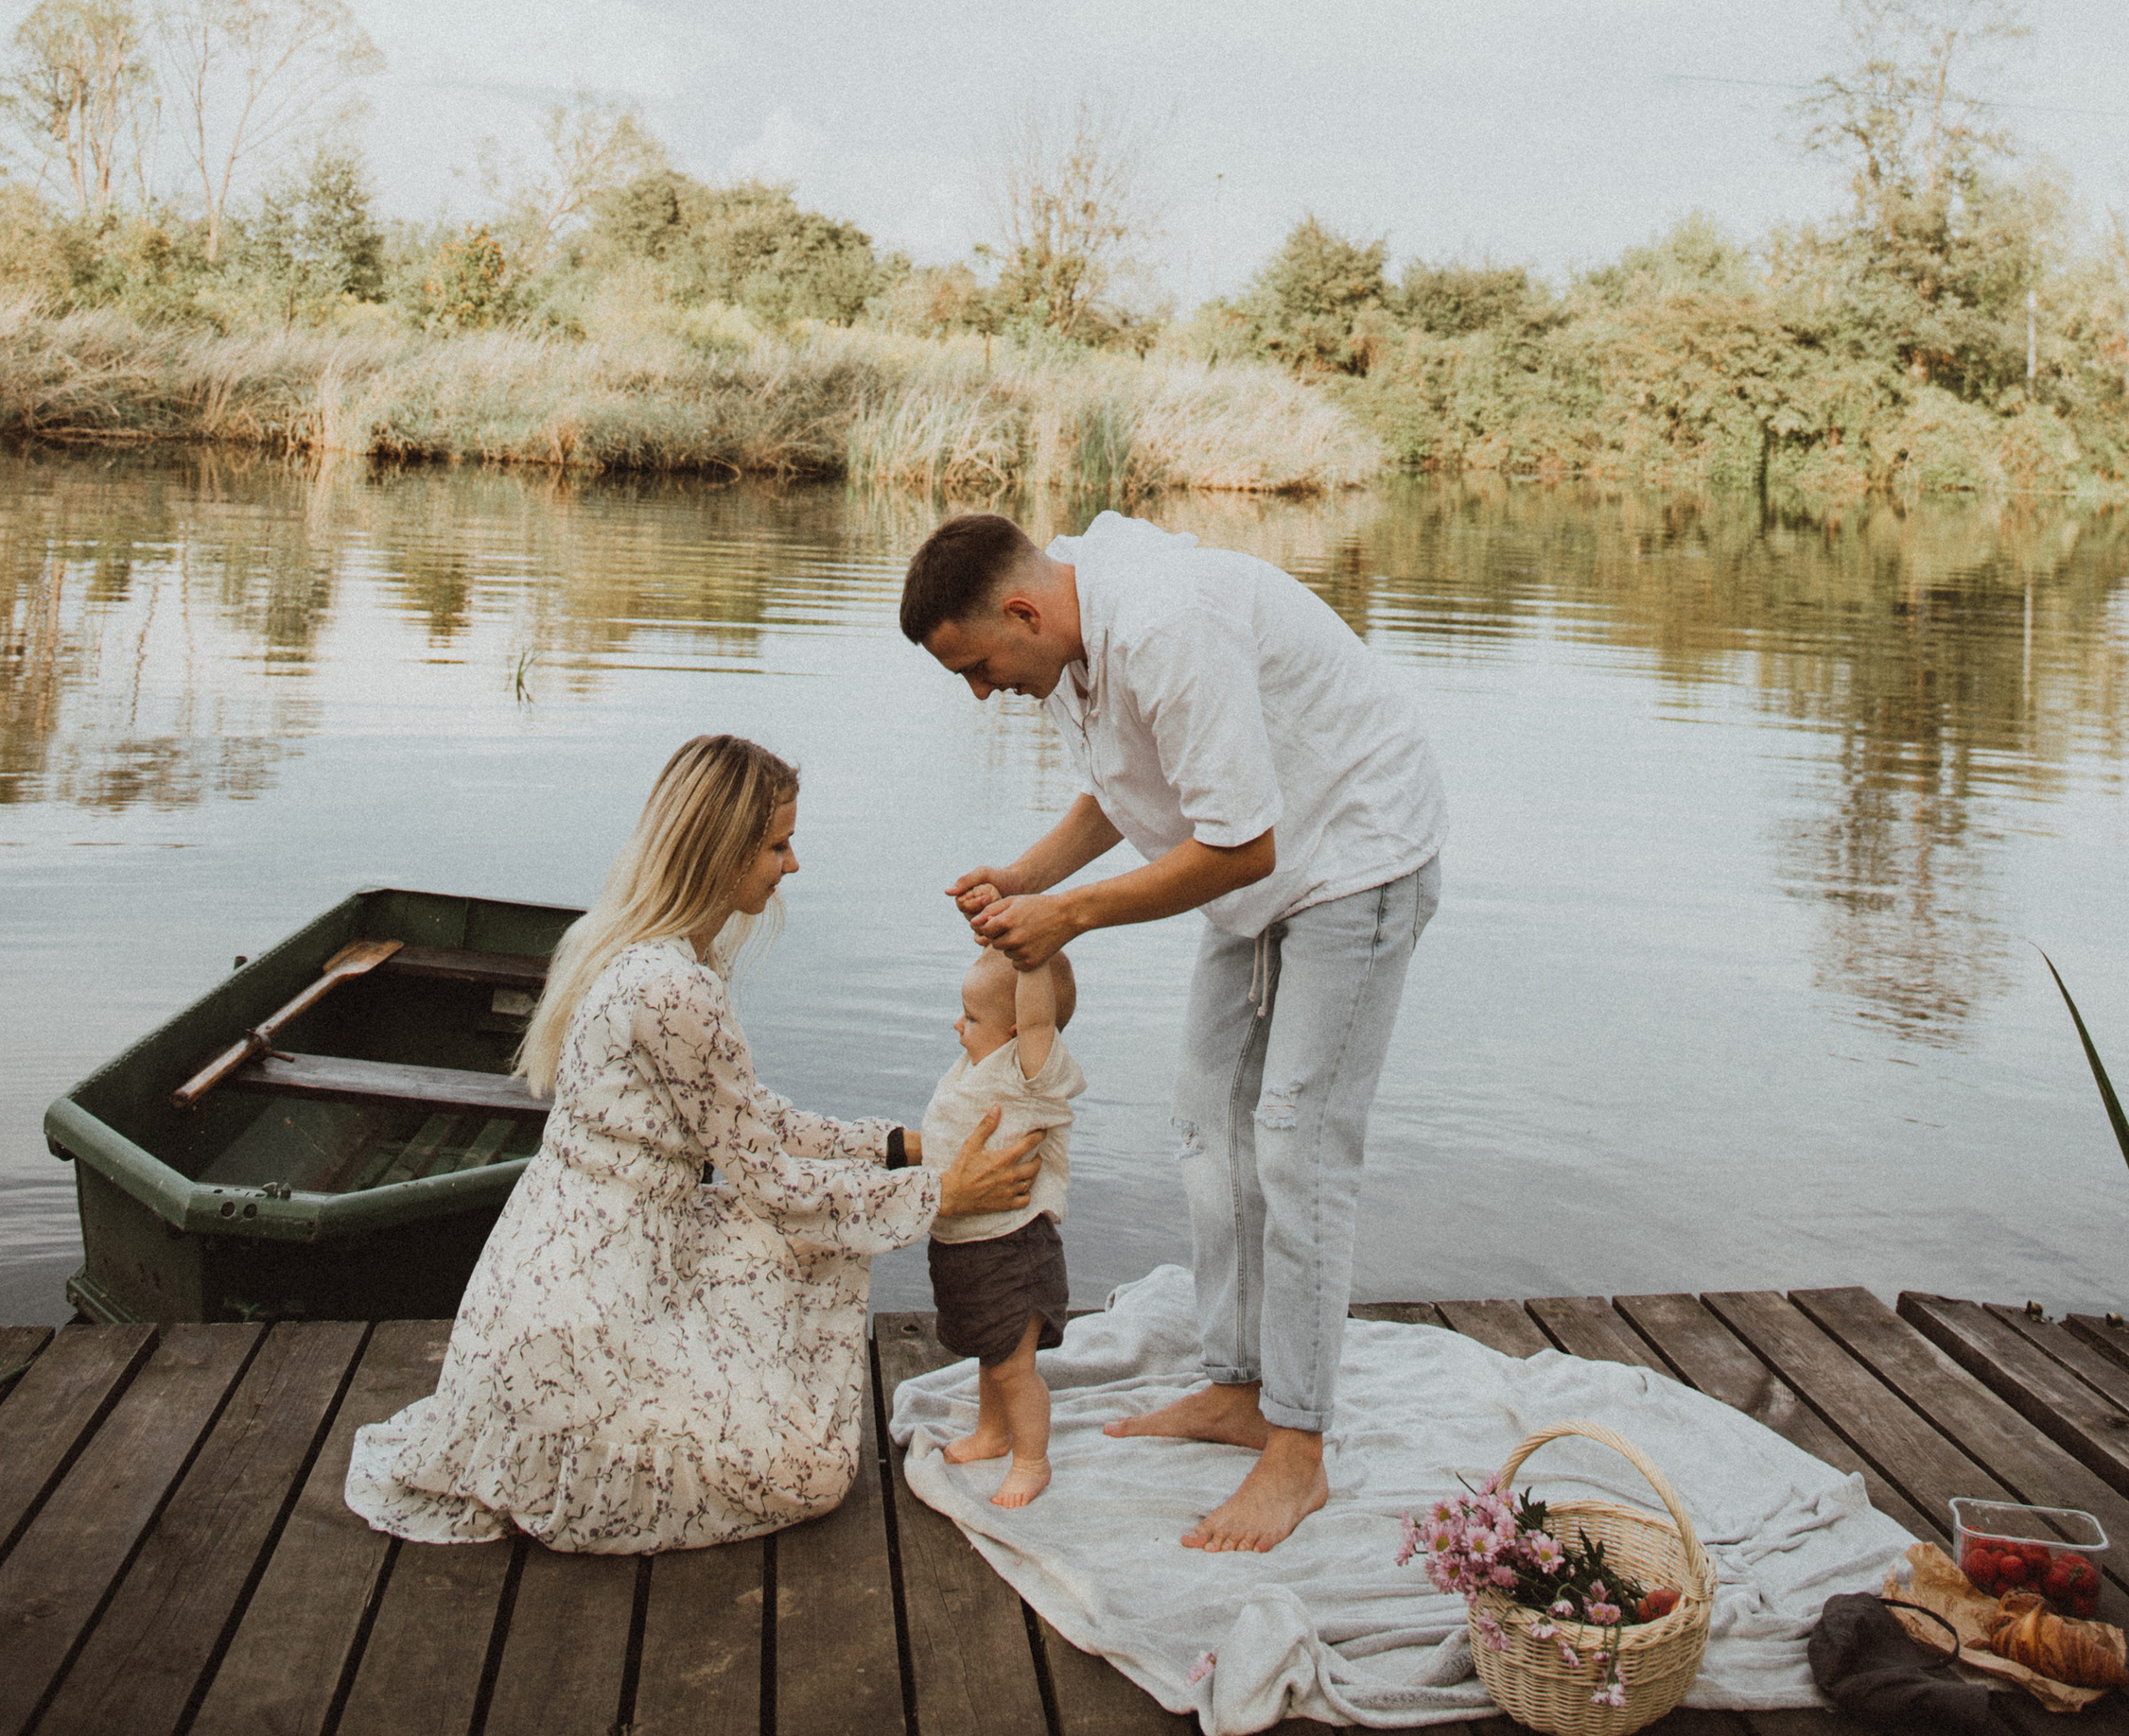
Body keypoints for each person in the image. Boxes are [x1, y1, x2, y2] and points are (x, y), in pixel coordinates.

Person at [345, 732, 1042, 1554]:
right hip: (585, 1316)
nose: (791, 865)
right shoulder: (673, 987)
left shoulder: (643, 950)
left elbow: (752, 1122)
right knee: (811, 1473)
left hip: (591, 1267)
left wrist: (901, 1146)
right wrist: (941, 1198)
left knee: (784, 1254)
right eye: (778, 844)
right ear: (720, 851)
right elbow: (774, 1185)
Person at [901, 507, 1446, 1554]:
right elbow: (1124, 784)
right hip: (1266, 870)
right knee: (1205, 1120)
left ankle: (1298, 1449)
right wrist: (1027, 875)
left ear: (1021, 608)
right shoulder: (1067, 633)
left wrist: (1072, 914)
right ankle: (1240, 1385)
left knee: (1295, 1142)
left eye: (978, 665)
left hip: (1354, 855)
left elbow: (1239, 846)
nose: (980, 692)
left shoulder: (1164, 626)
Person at [921, 942, 1083, 1505]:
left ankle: (1032, 1460)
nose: (957, 1025)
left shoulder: (1029, 1072)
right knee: (994, 1354)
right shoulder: (979, 1067)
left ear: (1015, 1032)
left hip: (1013, 1250)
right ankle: (992, 1433)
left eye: (971, 1017)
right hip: (965, 1246)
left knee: (1015, 1367)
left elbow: (1037, 1017)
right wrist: (1003, 942)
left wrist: (1031, 958)